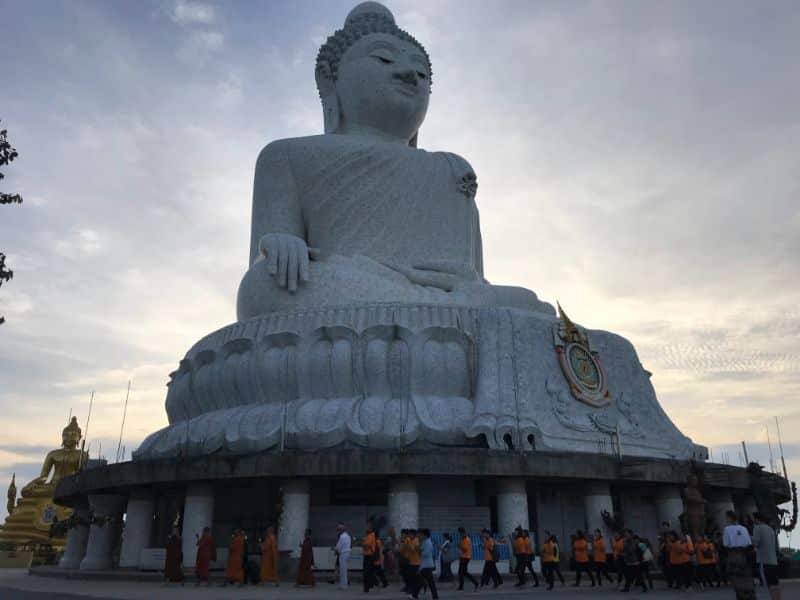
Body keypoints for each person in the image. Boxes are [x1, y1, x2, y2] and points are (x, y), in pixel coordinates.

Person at [723, 510, 755, 600]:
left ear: (729, 518)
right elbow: (749, 542)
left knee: (737, 580)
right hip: (745, 555)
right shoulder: (743, 528)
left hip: (734, 554)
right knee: (747, 579)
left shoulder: (727, 529)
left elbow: (726, 544)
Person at [752, 512, 781, 600]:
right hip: (773, 560)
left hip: (764, 560)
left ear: (757, 519)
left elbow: (756, 542)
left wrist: (749, 538)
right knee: (775, 583)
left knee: (769, 584)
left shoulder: (757, 528)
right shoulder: (770, 529)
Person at [412, 528, 439, 600]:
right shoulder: (425, 542)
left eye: (420, 534)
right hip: (426, 565)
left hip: (426, 565)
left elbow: (426, 554)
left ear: (424, 535)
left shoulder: (428, 543)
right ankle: (435, 596)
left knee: (420, 581)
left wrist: (419, 551)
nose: (418, 536)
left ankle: (414, 595)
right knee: (430, 582)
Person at [621, 529, 647, 593]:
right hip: (629, 561)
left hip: (634, 561)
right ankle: (626, 588)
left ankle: (644, 587)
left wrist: (625, 544)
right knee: (628, 575)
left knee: (638, 576)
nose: (625, 535)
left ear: (630, 534)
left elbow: (631, 550)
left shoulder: (632, 541)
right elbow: (625, 550)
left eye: (627, 534)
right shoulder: (627, 541)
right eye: (625, 534)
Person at [456, 527, 478, 591]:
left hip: (465, 558)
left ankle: (462, 586)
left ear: (462, 532)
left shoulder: (466, 539)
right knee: (463, 572)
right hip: (463, 557)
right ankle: (474, 583)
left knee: (461, 572)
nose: (459, 534)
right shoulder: (463, 539)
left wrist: (459, 546)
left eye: (459, 533)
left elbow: (465, 549)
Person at [334, 522, 351, 590]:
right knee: (344, 569)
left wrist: (335, 550)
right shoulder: (348, 536)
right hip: (347, 553)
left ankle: (343, 586)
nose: (338, 530)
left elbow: (338, 546)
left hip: (343, 554)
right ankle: (343, 585)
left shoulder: (342, 536)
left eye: (339, 529)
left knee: (342, 570)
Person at [362, 521, 378, 592]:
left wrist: (362, 543)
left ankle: (374, 584)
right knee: (366, 572)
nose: (366, 528)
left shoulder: (372, 535)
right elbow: (364, 545)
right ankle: (367, 587)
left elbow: (366, 545)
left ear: (371, 528)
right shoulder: (367, 536)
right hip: (366, 555)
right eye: (366, 527)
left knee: (369, 572)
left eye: (368, 527)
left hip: (370, 556)